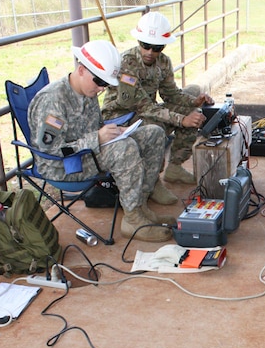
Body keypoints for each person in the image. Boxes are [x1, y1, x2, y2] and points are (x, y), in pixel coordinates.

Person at [28, 40, 174, 243]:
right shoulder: (52, 101)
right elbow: (52, 152)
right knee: (124, 149)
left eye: (105, 84)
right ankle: (132, 219)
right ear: (81, 70)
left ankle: (139, 206)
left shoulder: (87, 91)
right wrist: (97, 138)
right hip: (64, 166)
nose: (101, 89)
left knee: (153, 134)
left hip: (87, 152)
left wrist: (115, 131)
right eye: (99, 81)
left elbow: (94, 127)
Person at [101, 11, 214, 185]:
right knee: (156, 128)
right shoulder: (127, 63)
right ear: (139, 41)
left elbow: (171, 94)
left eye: (157, 48)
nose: (150, 52)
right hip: (120, 118)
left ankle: (175, 167)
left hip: (145, 112)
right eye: (145, 45)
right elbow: (143, 106)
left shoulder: (163, 62)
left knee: (193, 113)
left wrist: (194, 102)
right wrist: (182, 119)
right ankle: (153, 182)